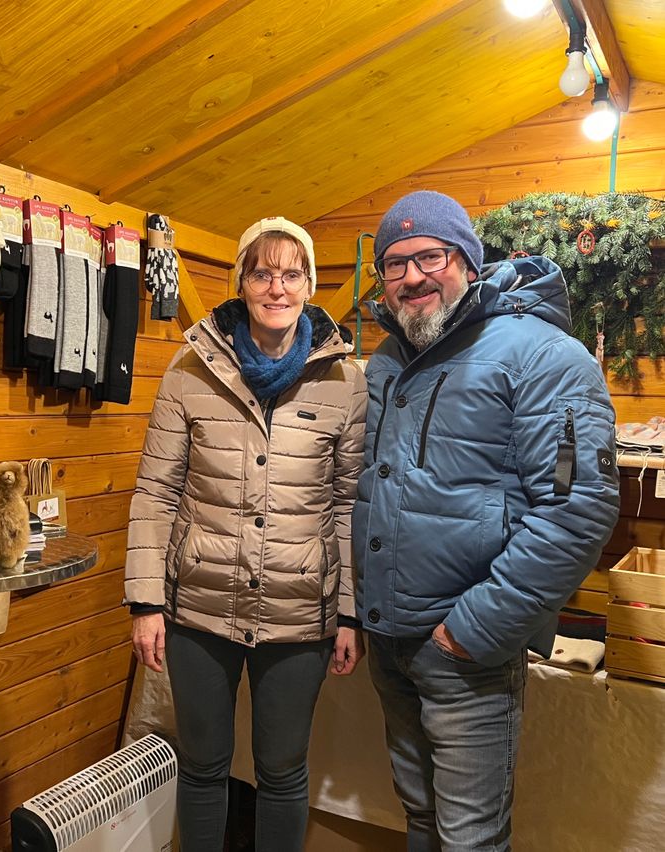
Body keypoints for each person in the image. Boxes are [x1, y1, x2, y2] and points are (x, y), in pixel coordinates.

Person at [352, 190, 619, 851]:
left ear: (468, 261)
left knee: (469, 836)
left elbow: (577, 508)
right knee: (417, 816)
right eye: (394, 264)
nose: (412, 276)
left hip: (466, 651)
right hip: (390, 640)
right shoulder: (387, 361)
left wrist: (470, 631)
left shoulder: (543, 356)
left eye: (431, 256)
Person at [124, 216, 367, 852]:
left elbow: (348, 504)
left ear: (310, 285)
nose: (276, 287)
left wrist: (350, 614)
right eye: (262, 272)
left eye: (292, 274)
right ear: (242, 282)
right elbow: (156, 491)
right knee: (203, 766)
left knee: (282, 772)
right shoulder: (189, 369)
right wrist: (147, 601)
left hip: (299, 612)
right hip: (198, 607)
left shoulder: (345, 381)